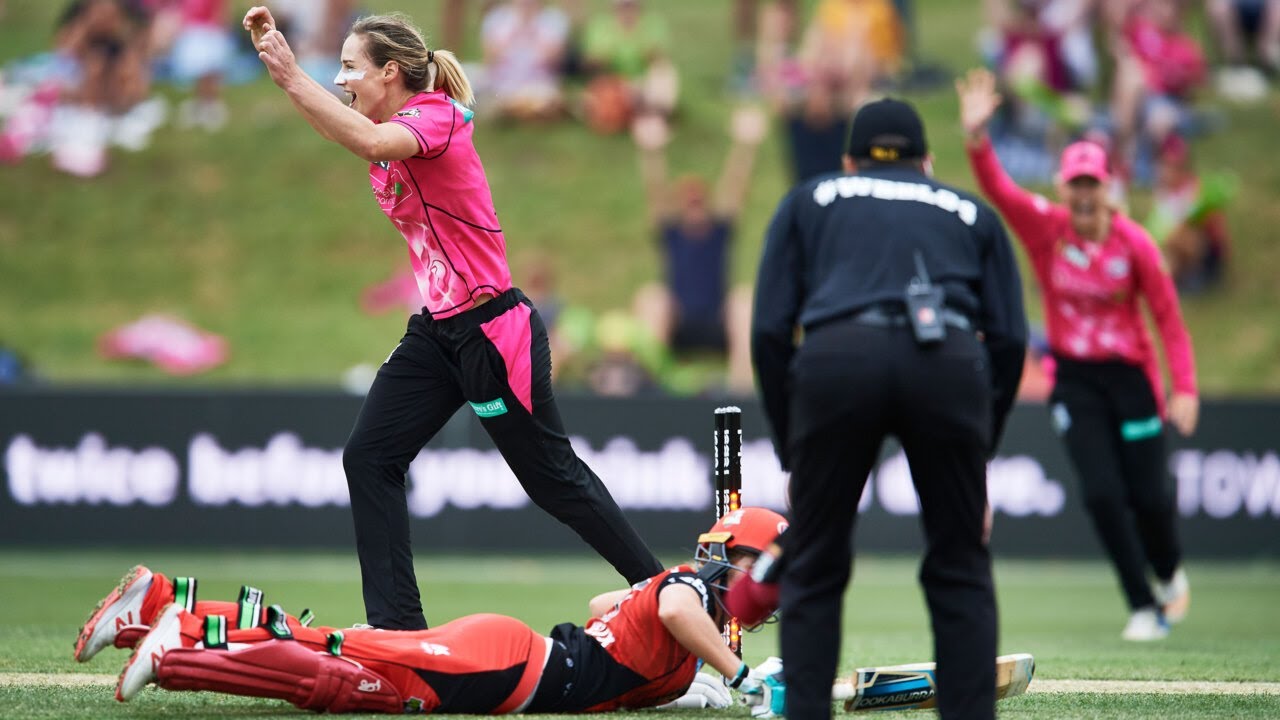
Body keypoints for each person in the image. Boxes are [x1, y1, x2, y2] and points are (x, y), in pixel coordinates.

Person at [241, 6, 662, 632]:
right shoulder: (382, 126)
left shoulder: (435, 115)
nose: (342, 79)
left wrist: (289, 75)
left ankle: (667, 595)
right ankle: (398, 633)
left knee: (552, 480)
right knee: (369, 457)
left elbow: (366, 139)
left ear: (391, 72)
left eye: (350, 68)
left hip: (494, 332)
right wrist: (288, 71)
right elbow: (346, 131)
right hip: (439, 332)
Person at [751, 97, 1029, 720]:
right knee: (959, 563)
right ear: (927, 162)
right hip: (948, 362)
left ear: (850, 161)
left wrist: (793, 443)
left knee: (816, 564)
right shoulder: (972, 212)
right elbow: (1011, 339)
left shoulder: (811, 198)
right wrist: (979, 448)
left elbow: (770, 330)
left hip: (837, 359)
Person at [74, 508, 790, 714]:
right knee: (343, 670)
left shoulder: (683, 616)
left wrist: (692, 678)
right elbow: (667, 602)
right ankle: (178, 649)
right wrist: (737, 672)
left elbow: (612, 604)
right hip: (507, 663)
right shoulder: (685, 592)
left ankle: (159, 609)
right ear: (742, 564)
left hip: (511, 666)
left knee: (336, 650)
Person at [958, 67, 1197, 641]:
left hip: (1131, 379)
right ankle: (1142, 606)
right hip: (1075, 379)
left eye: (1094, 184)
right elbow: (1002, 191)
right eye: (1077, 184)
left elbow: (1167, 317)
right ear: (1065, 189)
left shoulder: (1134, 244)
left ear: (1110, 189)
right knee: (1101, 493)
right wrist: (976, 138)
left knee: (1150, 496)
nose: (1086, 195)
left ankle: (1166, 571)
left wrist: (1183, 386)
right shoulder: (1048, 230)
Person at [630, 106, 764, 394]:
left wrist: (745, 145)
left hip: (717, 321)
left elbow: (735, 186)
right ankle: (650, 383)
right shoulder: (672, 233)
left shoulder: (719, 231)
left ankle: (742, 385)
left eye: (699, 201)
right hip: (677, 324)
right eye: (688, 202)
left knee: (744, 300)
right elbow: (655, 190)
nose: (695, 207)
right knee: (651, 298)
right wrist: (652, 152)